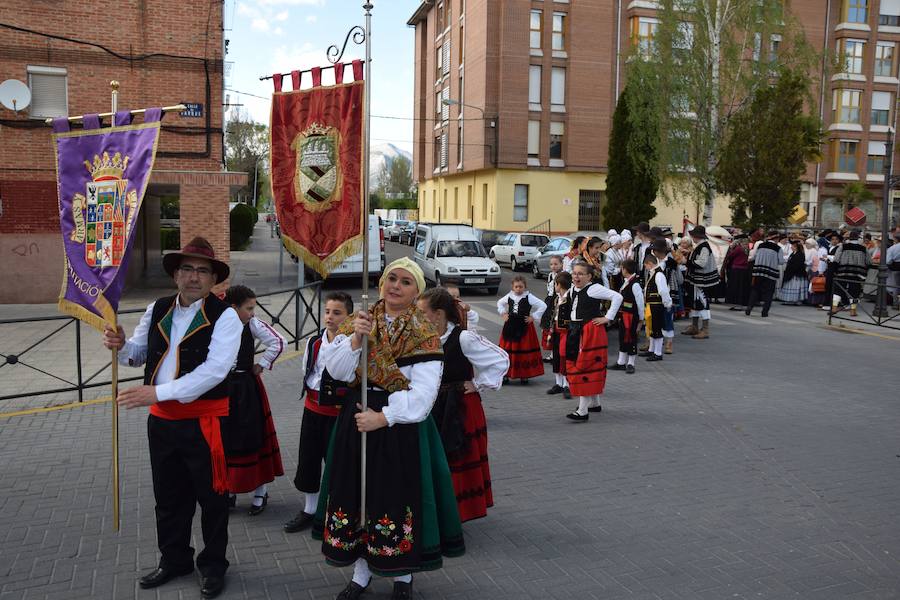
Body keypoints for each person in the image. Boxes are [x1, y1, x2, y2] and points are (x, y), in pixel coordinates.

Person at [312, 258, 464, 600]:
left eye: (406, 282)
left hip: (399, 426)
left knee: (395, 498)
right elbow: (335, 371)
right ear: (381, 283)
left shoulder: (424, 333)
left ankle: (402, 575)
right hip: (356, 420)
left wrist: (383, 417)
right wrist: (355, 339)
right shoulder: (359, 321)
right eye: (391, 278)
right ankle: (361, 573)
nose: (396, 285)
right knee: (356, 495)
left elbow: (424, 395)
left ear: (416, 292)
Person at [102, 237, 242, 599]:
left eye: (202, 271)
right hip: (162, 422)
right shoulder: (158, 308)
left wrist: (157, 393)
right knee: (168, 497)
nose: (194, 277)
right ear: (175, 275)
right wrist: (121, 345)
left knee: (212, 499)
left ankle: (213, 565)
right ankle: (175, 559)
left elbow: (215, 371)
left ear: (213, 279)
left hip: (204, 422)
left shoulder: (226, 316)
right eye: (187, 269)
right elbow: (138, 354)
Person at [417, 288, 509, 523]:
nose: (418, 317)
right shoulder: (423, 338)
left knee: (457, 457)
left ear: (438, 314)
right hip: (433, 405)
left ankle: (457, 515)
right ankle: (440, 512)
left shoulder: (463, 338)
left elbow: (501, 359)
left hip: (460, 407)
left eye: (422, 312)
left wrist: (477, 384)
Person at [284, 292, 353, 534]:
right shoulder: (314, 341)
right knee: (308, 459)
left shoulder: (352, 344)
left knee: (336, 462)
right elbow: (307, 369)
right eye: (327, 312)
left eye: (337, 313)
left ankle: (335, 511)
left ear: (349, 317)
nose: (330, 317)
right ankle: (310, 509)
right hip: (312, 409)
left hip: (337, 414)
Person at [221, 285, 286, 515]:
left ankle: (260, 491)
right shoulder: (218, 322)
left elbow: (279, 341)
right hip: (223, 388)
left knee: (252, 437)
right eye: (248, 308)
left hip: (246, 389)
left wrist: (262, 363)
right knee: (226, 439)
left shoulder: (252, 324)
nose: (252, 312)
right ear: (233, 308)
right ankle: (229, 490)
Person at [564, 262, 623, 422]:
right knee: (585, 365)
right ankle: (595, 403)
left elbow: (617, 297)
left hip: (590, 331)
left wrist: (608, 317)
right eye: (574, 273)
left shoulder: (593, 288)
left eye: (580, 274)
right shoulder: (573, 289)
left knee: (585, 366)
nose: (576, 276)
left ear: (589, 276)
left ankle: (582, 411)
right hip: (577, 330)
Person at [497, 275, 547, 384]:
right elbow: (499, 303)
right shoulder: (509, 296)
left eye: (521, 287)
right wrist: (503, 313)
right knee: (507, 349)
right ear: (513, 287)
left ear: (525, 287)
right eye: (516, 287)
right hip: (510, 325)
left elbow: (543, 306)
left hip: (524, 325)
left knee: (524, 349)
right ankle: (506, 374)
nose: (518, 289)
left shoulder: (529, 297)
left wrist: (533, 317)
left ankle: (524, 375)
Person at [681, 226, 720, 339]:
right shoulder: (700, 246)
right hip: (697, 280)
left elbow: (701, 263)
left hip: (702, 280)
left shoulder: (704, 247)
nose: (692, 237)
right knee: (695, 302)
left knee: (703, 302)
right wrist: (688, 254)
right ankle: (694, 326)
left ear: (696, 236)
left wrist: (685, 261)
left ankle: (705, 329)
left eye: (693, 235)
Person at [610, 259, 643, 374]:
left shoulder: (635, 284)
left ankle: (631, 363)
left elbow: (640, 302)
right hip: (624, 315)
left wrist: (641, 319)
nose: (621, 270)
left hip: (632, 316)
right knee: (623, 337)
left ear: (625, 269)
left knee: (631, 337)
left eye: (622, 268)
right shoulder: (627, 282)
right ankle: (621, 362)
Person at [545, 271, 573, 397]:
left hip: (566, 332)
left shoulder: (570, 298)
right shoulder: (557, 298)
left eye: (555, 284)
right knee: (556, 356)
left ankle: (567, 385)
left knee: (564, 357)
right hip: (556, 331)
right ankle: (558, 383)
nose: (554, 286)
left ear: (559, 285)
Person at [745, 231, 784, 317]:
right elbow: (781, 261)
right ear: (776, 239)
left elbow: (754, 257)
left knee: (755, 290)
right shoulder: (778, 248)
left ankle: (749, 307)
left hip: (758, 271)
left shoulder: (760, 245)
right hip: (771, 273)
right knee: (769, 293)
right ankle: (764, 312)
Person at [642, 253, 672, 361]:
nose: (645, 268)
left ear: (650, 263)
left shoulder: (659, 274)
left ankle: (658, 353)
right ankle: (651, 350)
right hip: (651, 306)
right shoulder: (654, 273)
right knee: (651, 328)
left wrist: (667, 304)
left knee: (657, 328)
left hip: (657, 306)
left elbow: (663, 291)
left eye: (645, 265)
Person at [833, 230, 871, 316]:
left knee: (838, 290)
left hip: (843, 272)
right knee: (854, 291)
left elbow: (836, 259)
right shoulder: (864, 248)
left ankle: (834, 308)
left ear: (849, 238)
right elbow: (869, 261)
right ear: (858, 238)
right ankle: (852, 311)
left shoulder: (843, 246)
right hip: (857, 274)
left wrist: (835, 270)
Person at [650, 238, 677, 354]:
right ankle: (653, 345)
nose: (653, 252)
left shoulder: (671, 262)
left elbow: (676, 278)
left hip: (668, 292)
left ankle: (669, 343)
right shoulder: (653, 260)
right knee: (654, 320)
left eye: (654, 250)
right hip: (654, 294)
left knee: (668, 318)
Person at [540, 255, 564, 362]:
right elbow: (549, 289)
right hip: (549, 301)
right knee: (548, 327)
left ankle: (555, 354)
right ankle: (552, 354)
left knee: (554, 327)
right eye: (551, 264)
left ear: (561, 264)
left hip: (557, 301)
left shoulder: (562, 275)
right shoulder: (550, 275)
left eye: (556, 264)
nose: (553, 266)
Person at [723, 236, 751, 309]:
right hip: (744, 269)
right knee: (742, 287)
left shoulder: (738, 248)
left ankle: (736, 303)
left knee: (736, 287)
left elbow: (730, 256)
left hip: (736, 268)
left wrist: (731, 248)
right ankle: (741, 302)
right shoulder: (746, 248)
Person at [778, 241, 809, 306]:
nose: (791, 247)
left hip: (797, 274)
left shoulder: (800, 254)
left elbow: (798, 265)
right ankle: (790, 300)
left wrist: (792, 269)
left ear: (796, 247)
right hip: (791, 272)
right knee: (791, 287)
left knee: (796, 287)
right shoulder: (793, 253)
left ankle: (796, 300)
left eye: (792, 246)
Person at [887, 231, 900, 309]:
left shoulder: (892, 248)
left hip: (896, 268)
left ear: (896, 239)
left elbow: (888, 261)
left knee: (896, 286)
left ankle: (896, 304)